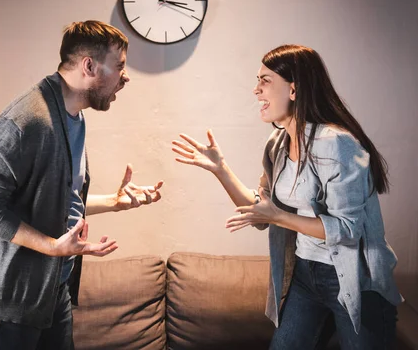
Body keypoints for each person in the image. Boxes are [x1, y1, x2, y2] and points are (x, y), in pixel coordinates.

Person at [171, 44, 401, 349]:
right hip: (306, 272)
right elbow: (261, 214)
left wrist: (278, 216)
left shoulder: (336, 143)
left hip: (355, 279)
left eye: (265, 81)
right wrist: (220, 169)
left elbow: (347, 230)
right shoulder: (278, 143)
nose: (256, 90)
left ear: (294, 90)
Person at [0, 20, 163, 350]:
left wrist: (115, 201)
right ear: (89, 66)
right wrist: (52, 247)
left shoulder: (74, 116)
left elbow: (58, 200)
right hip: (13, 300)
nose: (126, 77)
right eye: (120, 66)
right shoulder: (26, 121)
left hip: (53, 288)